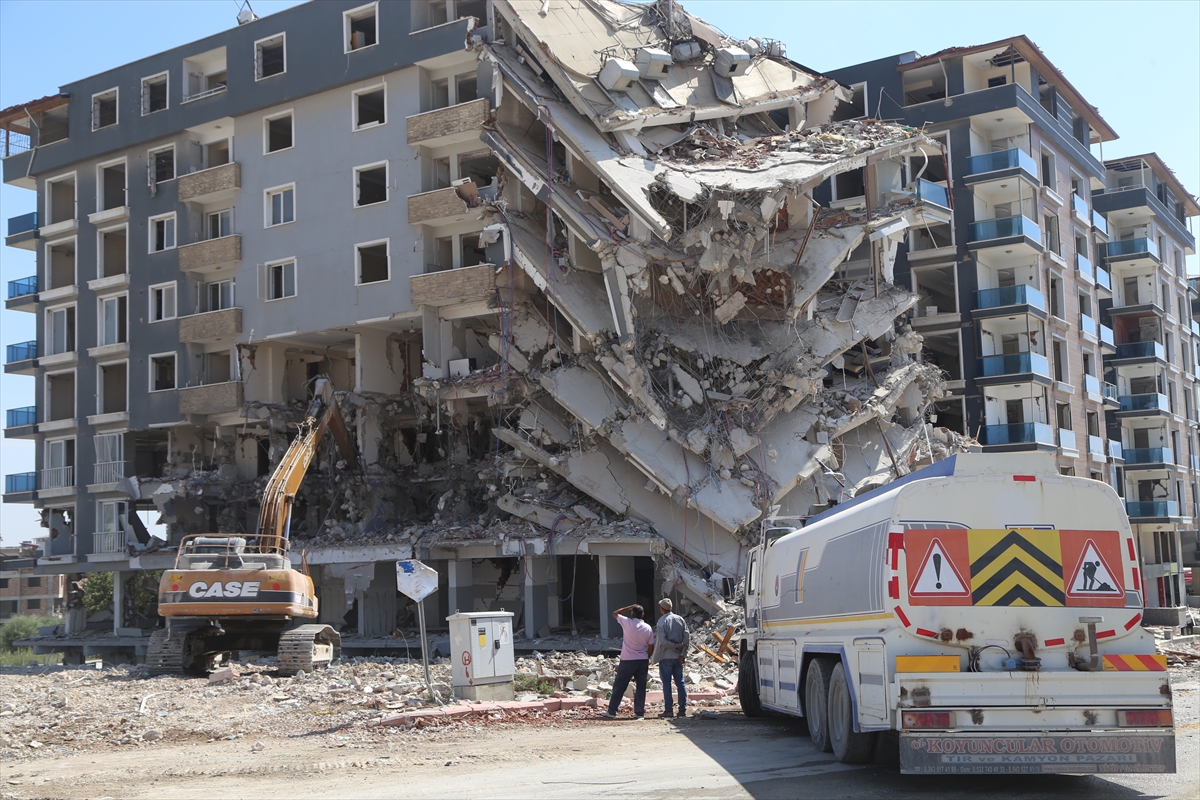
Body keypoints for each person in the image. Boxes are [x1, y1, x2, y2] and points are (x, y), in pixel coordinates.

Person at [602, 603, 654, 719]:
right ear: (643, 615)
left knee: (620, 685)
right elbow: (651, 645)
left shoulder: (627, 622)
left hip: (627, 660)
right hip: (642, 660)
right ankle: (639, 713)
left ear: (632, 614)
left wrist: (628, 607)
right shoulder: (648, 628)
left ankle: (612, 711)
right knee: (641, 687)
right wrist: (648, 656)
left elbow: (615, 613)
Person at [651, 598, 690, 718]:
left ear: (662, 609)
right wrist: (683, 653)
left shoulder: (661, 622)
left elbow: (663, 642)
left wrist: (675, 646)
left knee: (667, 684)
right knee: (680, 683)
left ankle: (669, 710)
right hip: (678, 656)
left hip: (666, 656)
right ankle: (682, 709)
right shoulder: (680, 619)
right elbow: (686, 638)